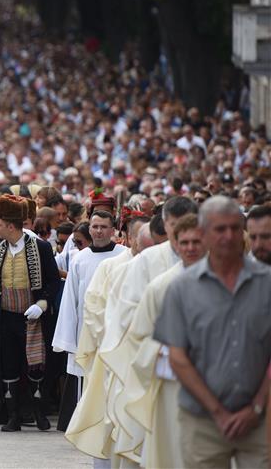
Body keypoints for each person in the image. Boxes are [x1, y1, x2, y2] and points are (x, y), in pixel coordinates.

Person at [154, 197, 270, 468]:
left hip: (261, 421)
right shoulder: (180, 289)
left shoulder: (266, 283)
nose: (228, 236)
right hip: (202, 420)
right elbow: (178, 357)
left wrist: (255, 407)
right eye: (219, 229)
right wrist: (218, 412)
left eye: (233, 228)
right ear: (204, 233)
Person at [99, 196, 198, 466]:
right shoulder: (146, 262)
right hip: (158, 368)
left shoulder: (211, 258)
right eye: (173, 226)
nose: (179, 235)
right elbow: (127, 317)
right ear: (164, 223)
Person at [121, 214, 206, 469]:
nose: (190, 248)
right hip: (171, 384)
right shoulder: (160, 286)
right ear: (175, 244)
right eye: (185, 242)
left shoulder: (224, 282)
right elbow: (138, 335)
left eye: (197, 242)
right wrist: (169, 350)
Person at [0, 194, 61, 432]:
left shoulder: (41, 248)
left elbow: (53, 282)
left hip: (31, 318)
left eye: (0, 224)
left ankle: (37, 412)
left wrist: (41, 304)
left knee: (36, 367)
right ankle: (13, 415)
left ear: (11, 226)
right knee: (9, 365)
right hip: (5, 317)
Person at [52, 210, 126, 428]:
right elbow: (70, 299)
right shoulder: (80, 259)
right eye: (95, 226)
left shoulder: (125, 255)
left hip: (116, 330)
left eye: (104, 227)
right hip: (86, 331)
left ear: (113, 230)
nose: (99, 231)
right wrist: (67, 339)